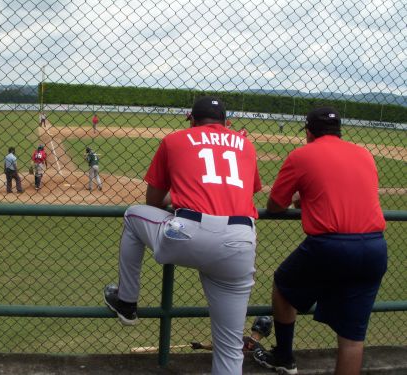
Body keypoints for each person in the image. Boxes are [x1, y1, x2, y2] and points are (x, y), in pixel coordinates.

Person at [103, 96, 262, 375]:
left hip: (187, 234)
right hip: (239, 241)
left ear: (191, 120)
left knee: (132, 215)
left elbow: (153, 201)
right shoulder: (245, 144)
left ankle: (126, 302)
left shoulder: (175, 139)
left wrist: (180, 195)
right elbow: (246, 191)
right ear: (227, 123)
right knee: (229, 349)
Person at [253, 107, 387, 375]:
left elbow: (276, 205)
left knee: (283, 284)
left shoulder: (302, 154)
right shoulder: (364, 153)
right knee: (352, 339)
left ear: (308, 131)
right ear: (339, 131)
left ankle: (284, 357)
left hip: (331, 245)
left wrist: (298, 200)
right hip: (374, 247)